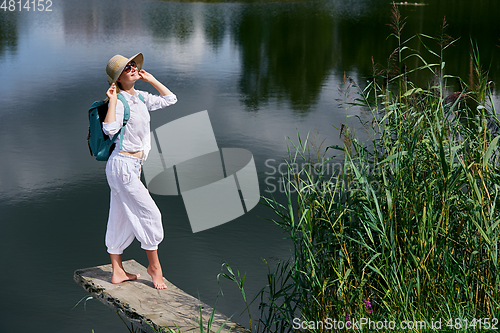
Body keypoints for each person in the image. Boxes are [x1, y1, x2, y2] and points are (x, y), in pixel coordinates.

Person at [102, 53, 177, 289]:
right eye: (127, 68)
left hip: (130, 168)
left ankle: (117, 271)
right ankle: (154, 267)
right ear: (118, 78)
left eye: (133, 65)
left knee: (120, 215)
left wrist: (152, 79)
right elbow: (109, 129)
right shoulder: (120, 100)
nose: (133, 68)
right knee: (151, 215)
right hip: (122, 165)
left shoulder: (141, 98)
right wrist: (113, 100)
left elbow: (170, 99)